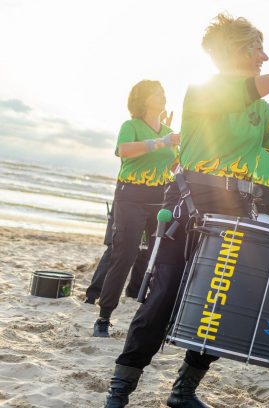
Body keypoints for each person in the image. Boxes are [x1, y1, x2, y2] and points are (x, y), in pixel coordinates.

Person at [103, 13, 269, 408]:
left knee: (217, 302)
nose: (264, 56)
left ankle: (183, 391)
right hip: (191, 201)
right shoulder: (204, 90)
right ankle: (120, 392)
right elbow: (243, 91)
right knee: (163, 296)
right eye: (258, 50)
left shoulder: (260, 106)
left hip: (236, 206)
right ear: (238, 50)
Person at [92, 80, 179, 338]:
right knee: (125, 254)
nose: (162, 95)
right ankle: (104, 317)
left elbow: (172, 165)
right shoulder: (130, 126)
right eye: (156, 92)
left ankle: (151, 318)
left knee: (157, 257)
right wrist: (161, 142)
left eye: (164, 91)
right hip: (130, 196)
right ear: (142, 97)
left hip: (159, 199)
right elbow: (124, 151)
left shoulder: (168, 130)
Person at [84, 204, 148, 304]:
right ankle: (92, 295)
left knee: (144, 251)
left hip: (152, 204)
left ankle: (134, 293)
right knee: (113, 250)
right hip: (127, 203)